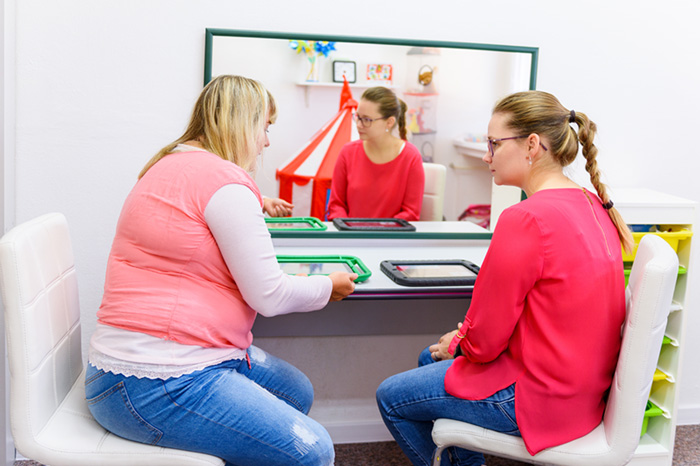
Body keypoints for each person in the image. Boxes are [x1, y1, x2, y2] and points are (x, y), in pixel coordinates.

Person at [84, 75, 357, 466]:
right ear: (242, 124)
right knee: (311, 450)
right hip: (157, 383)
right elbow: (270, 295)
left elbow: (191, 223)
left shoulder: (168, 164)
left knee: (294, 390)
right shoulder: (225, 184)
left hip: (128, 374)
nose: (265, 141)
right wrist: (326, 286)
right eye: (265, 128)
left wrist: (255, 201)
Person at [376, 90, 634, 466]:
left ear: (532, 145)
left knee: (390, 398)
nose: (486, 156)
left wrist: (460, 342)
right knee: (427, 357)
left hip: (538, 398)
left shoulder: (526, 218)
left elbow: (484, 345)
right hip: (583, 393)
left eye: (494, 144)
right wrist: (463, 341)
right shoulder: (591, 204)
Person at [326, 86, 425, 220]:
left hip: (391, 238)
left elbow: (410, 213)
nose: (359, 125)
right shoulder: (347, 153)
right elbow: (336, 206)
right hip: (351, 237)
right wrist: (348, 231)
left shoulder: (410, 157)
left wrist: (378, 232)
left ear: (389, 122)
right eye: (358, 117)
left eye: (367, 120)